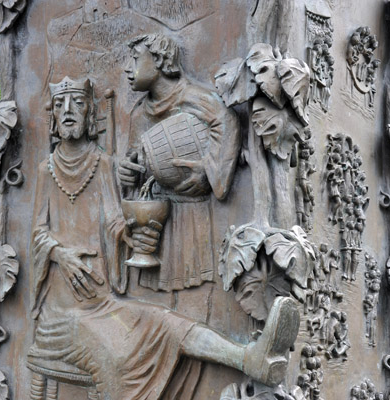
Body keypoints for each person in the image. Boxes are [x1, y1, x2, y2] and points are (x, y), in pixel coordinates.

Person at [26, 76, 300, 400]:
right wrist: (62, 254)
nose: (68, 110)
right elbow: (37, 234)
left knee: (167, 323)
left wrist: (130, 235)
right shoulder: (47, 170)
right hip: (60, 312)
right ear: (54, 117)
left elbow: (114, 222)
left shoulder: (103, 166)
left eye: (78, 104)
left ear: (89, 116)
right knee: (116, 355)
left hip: (99, 302)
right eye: (60, 105)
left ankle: (249, 358)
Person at [119, 33, 241, 292]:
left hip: (190, 214)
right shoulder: (139, 114)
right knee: (153, 299)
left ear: (160, 61)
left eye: (136, 59)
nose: (128, 68)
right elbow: (136, 165)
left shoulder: (194, 97)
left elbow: (228, 121)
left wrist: (209, 171)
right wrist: (127, 175)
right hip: (155, 223)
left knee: (194, 292)